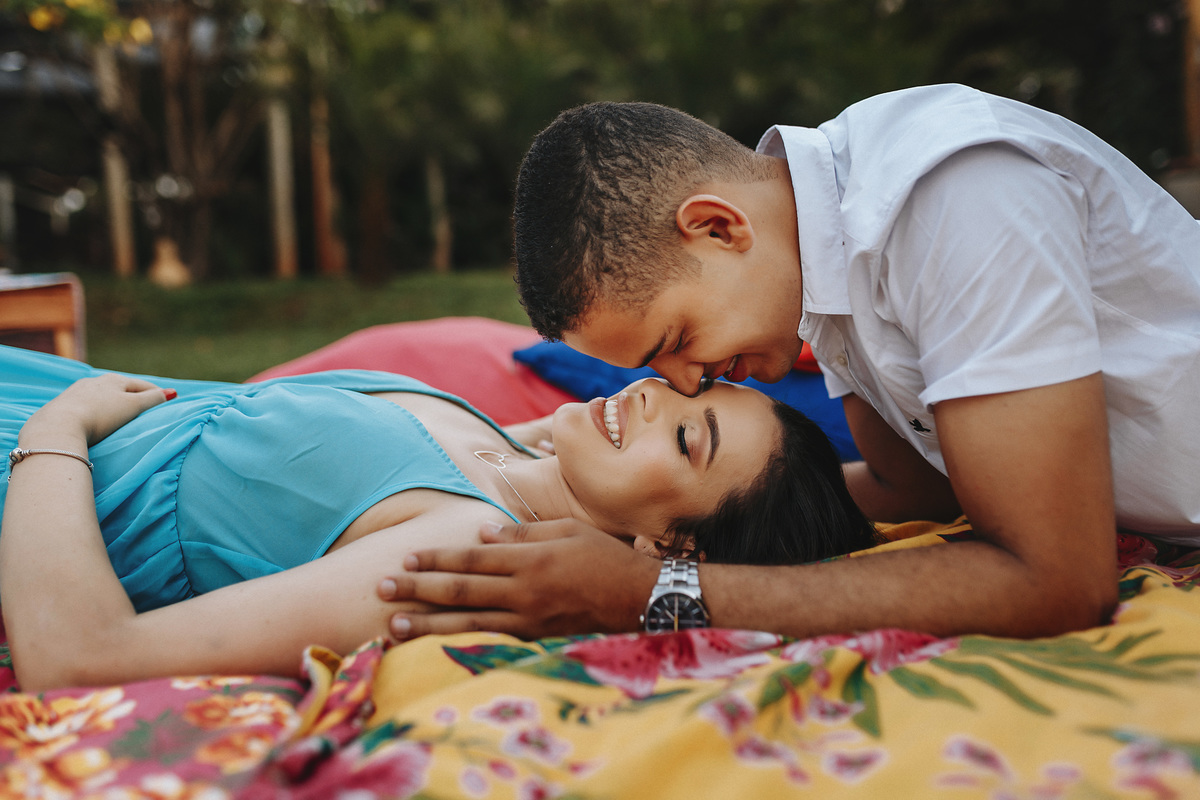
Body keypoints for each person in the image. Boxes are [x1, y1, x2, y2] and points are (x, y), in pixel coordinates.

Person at [376, 83, 1200, 644]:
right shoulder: (824, 254)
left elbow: (1059, 583)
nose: (687, 383)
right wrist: (621, 515)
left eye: (672, 344)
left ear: (718, 228)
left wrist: (652, 595)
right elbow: (914, 490)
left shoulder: (953, 197)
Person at [0, 344, 874, 691]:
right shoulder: (522, 453)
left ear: (665, 547)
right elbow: (897, 486)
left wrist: (57, 433)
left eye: (689, 439)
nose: (650, 394)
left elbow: (82, 659)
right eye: (694, 389)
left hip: (30, 480)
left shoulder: (464, 548)